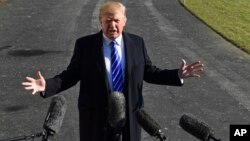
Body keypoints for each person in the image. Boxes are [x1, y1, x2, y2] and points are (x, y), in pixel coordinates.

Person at [22, 1, 204, 141]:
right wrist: (47, 85)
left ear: (124, 21)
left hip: (130, 119)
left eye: (116, 20)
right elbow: (71, 75)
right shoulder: (85, 45)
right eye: (107, 21)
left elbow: (149, 72)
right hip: (95, 119)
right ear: (100, 21)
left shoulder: (137, 43)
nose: (112, 25)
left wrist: (177, 75)